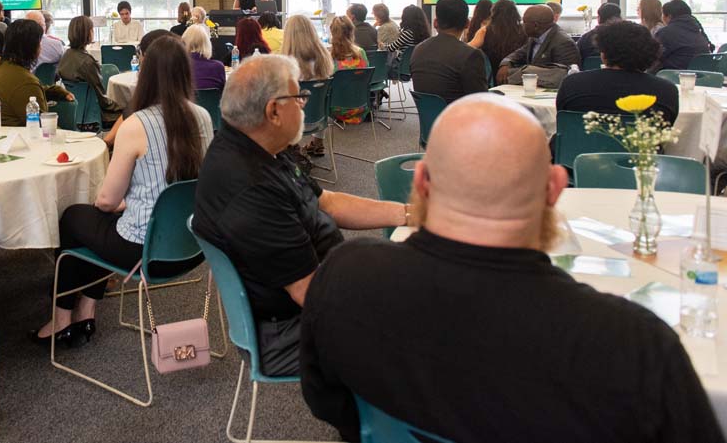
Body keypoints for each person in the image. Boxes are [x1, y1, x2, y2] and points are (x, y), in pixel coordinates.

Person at [298, 95, 723, 443]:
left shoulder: (344, 277)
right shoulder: (634, 347)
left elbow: (329, 405)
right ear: (556, 188)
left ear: (422, 182)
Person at [192, 54, 405, 377]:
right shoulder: (250, 188)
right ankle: (373, 421)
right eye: (299, 97)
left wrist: (406, 214)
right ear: (274, 111)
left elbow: (327, 202)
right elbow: (309, 292)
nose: (305, 105)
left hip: (313, 290)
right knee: (422, 315)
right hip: (287, 332)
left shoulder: (260, 148)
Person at [33, 35, 213, 344]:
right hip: (192, 246)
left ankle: (62, 317)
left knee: (74, 218)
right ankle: (86, 310)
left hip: (144, 248)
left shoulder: (136, 124)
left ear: (145, 72)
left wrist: (123, 205)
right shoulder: (204, 117)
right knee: (98, 224)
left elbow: (106, 201)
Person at [557, 21, 679, 125]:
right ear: (651, 54)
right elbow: (666, 130)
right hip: (641, 151)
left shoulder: (573, 84)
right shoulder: (666, 90)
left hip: (575, 151)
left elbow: (562, 122)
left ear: (604, 54)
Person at [0, 20, 73, 127]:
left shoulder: (2, 68)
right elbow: (44, 127)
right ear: (31, 47)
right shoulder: (24, 81)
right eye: (40, 43)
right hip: (23, 139)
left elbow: (23, 96)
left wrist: (54, 92)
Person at [409, 0, 488, 104]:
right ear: (467, 24)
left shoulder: (418, 50)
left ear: (435, 23)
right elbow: (480, 100)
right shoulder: (471, 55)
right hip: (460, 118)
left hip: (429, 119)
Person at [281, 15, 335, 157]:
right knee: (318, 94)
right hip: (319, 119)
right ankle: (318, 142)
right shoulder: (324, 56)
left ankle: (289, 148)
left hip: (293, 122)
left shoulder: (284, 63)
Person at [58, 16, 123, 127]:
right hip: (93, 115)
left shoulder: (66, 56)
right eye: (92, 29)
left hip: (74, 113)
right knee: (130, 113)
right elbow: (103, 101)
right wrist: (124, 106)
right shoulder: (87, 63)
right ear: (87, 33)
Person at [496, 4, 580, 85]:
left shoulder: (563, 43)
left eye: (524, 22)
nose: (522, 25)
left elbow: (564, 76)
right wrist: (505, 63)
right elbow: (519, 53)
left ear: (535, 25)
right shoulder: (535, 37)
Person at [653, 0, 714, 73]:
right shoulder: (697, 30)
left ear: (669, 16)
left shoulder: (667, 33)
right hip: (701, 77)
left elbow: (652, 57)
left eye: (662, 14)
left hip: (675, 76)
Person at [328, 16, 369, 123]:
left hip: (336, 109)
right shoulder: (361, 52)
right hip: (361, 106)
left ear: (332, 32)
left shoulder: (329, 56)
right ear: (351, 32)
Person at [477, 0, 527, 75]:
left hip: (491, 76)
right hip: (516, 74)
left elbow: (471, 47)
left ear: (493, 13)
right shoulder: (523, 31)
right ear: (515, 13)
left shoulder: (485, 31)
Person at [183, 24, 226, 91]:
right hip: (212, 101)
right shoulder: (218, 67)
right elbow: (223, 93)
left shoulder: (179, 67)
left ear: (185, 43)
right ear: (207, 43)